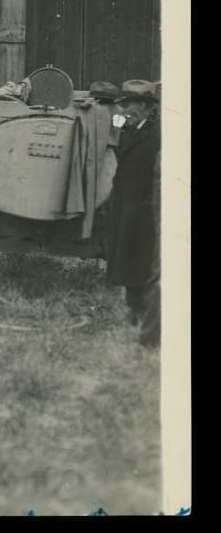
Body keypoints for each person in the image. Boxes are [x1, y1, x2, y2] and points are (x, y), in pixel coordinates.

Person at [104, 79, 161, 348]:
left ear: (147, 107)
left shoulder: (158, 134)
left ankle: (145, 316)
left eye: (131, 105)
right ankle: (132, 311)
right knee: (126, 257)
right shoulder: (125, 129)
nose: (125, 110)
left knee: (143, 262)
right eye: (123, 104)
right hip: (124, 205)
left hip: (145, 208)